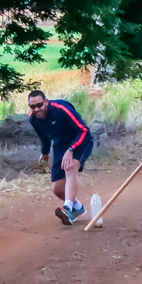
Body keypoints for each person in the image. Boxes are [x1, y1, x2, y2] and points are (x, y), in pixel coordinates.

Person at [28, 90, 94, 225]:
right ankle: (78, 208)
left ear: (46, 102)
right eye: (33, 106)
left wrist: (71, 149)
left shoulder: (61, 109)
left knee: (70, 167)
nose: (37, 109)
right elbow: (44, 138)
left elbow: (84, 130)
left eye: (39, 105)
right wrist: (45, 153)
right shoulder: (33, 119)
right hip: (60, 146)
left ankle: (67, 208)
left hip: (80, 141)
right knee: (57, 189)